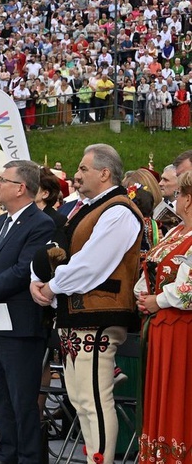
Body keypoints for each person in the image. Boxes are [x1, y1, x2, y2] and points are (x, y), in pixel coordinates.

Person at [31, 144, 142, 464]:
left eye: (83, 169)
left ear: (105, 173)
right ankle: (97, 456)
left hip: (99, 314)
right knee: (81, 399)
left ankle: (101, 460)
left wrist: (51, 287)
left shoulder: (119, 210)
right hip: (78, 315)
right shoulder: (89, 208)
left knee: (94, 398)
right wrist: (37, 280)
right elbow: (60, 253)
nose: (76, 176)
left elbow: (93, 264)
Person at [0, 160, 55, 464]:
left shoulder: (40, 223)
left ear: (20, 188)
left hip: (19, 323)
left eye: (3, 180)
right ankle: (6, 455)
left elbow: (23, 270)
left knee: (21, 398)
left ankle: (28, 458)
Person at [135, 170, 192, 463]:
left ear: (189, 200)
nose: (176, 200)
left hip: (183, 329)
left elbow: (189, 290)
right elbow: (151, 265)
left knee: (178, 399)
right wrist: (143, 295)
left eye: (179, 195)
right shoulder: (177, 231)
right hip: (161, 326)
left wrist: (158, 299)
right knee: (160, 396)